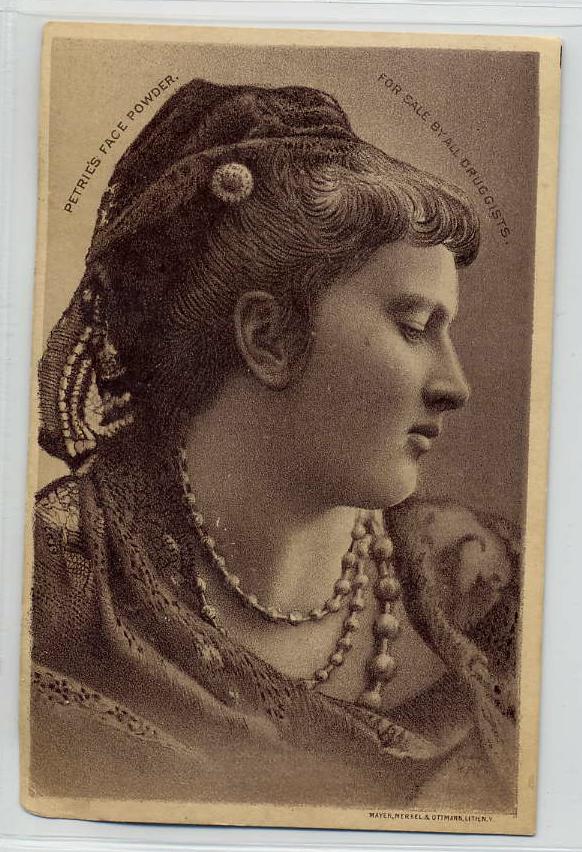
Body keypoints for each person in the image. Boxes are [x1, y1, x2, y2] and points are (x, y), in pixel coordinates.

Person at [28, 79, 520, 814]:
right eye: (416, 327)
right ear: (269, 338)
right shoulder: (60, 587)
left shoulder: (477, 582)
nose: (455, 385)